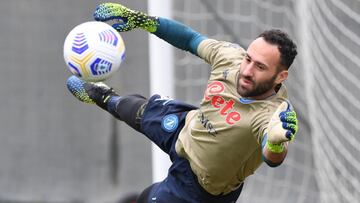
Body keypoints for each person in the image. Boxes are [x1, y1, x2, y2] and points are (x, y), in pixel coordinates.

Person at [66, 2, 298, 203]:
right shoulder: (230, 57)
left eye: (260, 67)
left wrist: (277, 143)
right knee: (132, 108)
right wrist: (140, 19)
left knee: (147, 197)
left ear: (281, 76)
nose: (246, 70)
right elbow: (189, 38)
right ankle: (105, 96)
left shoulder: (274, 114)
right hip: (187, 128)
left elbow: (272, 157)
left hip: (200, 187)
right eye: (248, 58)